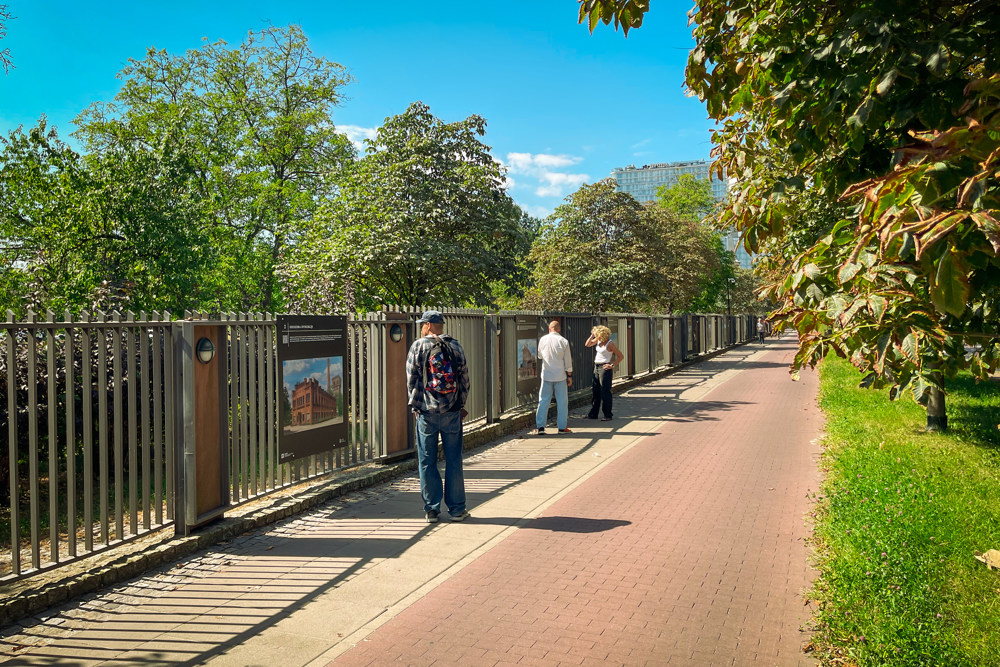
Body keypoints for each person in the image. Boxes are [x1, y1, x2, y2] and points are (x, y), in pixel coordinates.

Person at [406, 310, 471, 524]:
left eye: (422, 324)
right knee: (454, 460)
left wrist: (416, 406)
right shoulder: (455, 346)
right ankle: (457, 509)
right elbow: (464, 379)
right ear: (441, 325)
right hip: (451, 411)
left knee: (427, 460)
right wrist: (460, 405)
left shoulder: (418, 346)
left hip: (427, 412)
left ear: (427, 325)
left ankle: (432, 510)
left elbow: (412, 379)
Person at [534, 320, 574, 435]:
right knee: (562, 402)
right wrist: (569, 375)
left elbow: (540, 355)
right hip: (560, 375)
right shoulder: (563, 341)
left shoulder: (543, 340)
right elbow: (567, 360)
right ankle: (562, 427)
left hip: (546, 375)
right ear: (559, 329)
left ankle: (540, 427)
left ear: (549, 328)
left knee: (543, 401)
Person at [585, 325, 624, 421]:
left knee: (605, 391)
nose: (595, 336)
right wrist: (591, 336)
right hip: (596, 366)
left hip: (605, 367)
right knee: (596, 390)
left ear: (602, 335)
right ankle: (593, 413)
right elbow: (587, 344)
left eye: (597, 334)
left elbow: (620, 356)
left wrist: (612, 365)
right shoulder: (598, 341)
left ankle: (607, 414)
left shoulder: (610, 344)